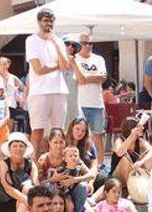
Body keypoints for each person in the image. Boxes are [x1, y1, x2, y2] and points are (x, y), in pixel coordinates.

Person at [25, 8, 70, 156]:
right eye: (45, 21)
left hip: (59, 90)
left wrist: (56, 44)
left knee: (58, 132)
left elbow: (66, 66)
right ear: (39, 22)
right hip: (39, 92)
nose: (48, 24)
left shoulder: (58, 41)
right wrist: (57, 66)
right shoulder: (31, 40)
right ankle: (35, 166)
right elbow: (38, 69)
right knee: (38, 131)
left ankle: (56, 163)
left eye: (51, 21)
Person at [76, 32, 108, 165]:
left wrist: (85, 78)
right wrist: (94, 77)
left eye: (90, 43)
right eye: (84, 43)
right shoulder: (75, 59)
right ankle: (81, 163)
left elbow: (103, 78)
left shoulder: (99, 59)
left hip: (96, 103)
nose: (88, 46)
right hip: (80, 102)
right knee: (79, 135)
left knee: (98, 135)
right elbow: (78, 80)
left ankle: (101, 165)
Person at [0, 132, 40, 212]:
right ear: (10, 148)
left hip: (27, 203)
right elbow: (8, 189)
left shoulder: (31, 164)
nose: (18, 149)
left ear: (25, 148)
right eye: (15, 146)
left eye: (21, 146)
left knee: (28, 187)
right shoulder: (4, 164)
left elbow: (36, 184)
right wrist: (28, 201)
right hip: (7, 203)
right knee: (24, 202)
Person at [110, 116, 152, 184]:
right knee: (124, 160)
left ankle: (148, 184)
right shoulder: (119, 140)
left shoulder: (140, 141)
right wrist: (131, 136)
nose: (143, 128)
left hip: (133, 171)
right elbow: (119, 153)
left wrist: (142, 162)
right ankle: (130, 188)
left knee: (149, 159)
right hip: (118, 174)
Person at [59, 35, 83, 130]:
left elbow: (82, 80)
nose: (70, 47)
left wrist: (73, 64)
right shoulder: (54, 61)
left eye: (73, 46)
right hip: (59, 102)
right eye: (67, 44)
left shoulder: (77, 63)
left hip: (73, 103)